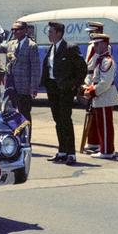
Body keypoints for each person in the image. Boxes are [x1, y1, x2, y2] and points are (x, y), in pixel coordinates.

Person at [42, 21, 87, 166]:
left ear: (59, 33)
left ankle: (71, 153)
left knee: (65, 120)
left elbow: (82, 69)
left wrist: (74, 85)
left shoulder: (70, 48)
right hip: (53, 88)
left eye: (51, 32)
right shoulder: (52, 48)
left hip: (65, 90)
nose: (48, 34)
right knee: (57, 120)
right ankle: (62, 151)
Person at [0, 21, 41, 128]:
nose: (15, 32)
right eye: (13, 29)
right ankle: (15, 135)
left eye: (18, 29)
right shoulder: (10, 44)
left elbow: (35, 68)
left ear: (25, 30)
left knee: (24, 113)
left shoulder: (32, 46)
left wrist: (33, 87)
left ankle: (26, 137)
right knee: (11, 112)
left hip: (24, 86)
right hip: (11, 85)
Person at [81, 34, 117, 159]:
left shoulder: (107, 61)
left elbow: (105, 82)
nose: (94, 47)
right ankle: (103, 148)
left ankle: (107, 151)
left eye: (97, 44)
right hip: (100, 96)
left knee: (105, 125)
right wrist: (88, 88)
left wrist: (92, 92)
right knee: (101, 125)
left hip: (105, 96)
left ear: (104, 44)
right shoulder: (100, 60)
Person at [83, 21, 108, 152]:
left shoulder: (104, 47)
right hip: (89, 77)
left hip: (96, 78)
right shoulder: (90, 46)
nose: (90, 34)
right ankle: (92, 141)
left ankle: (99, 142)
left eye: (92, 32)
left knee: (97, 114)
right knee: (90, 111)